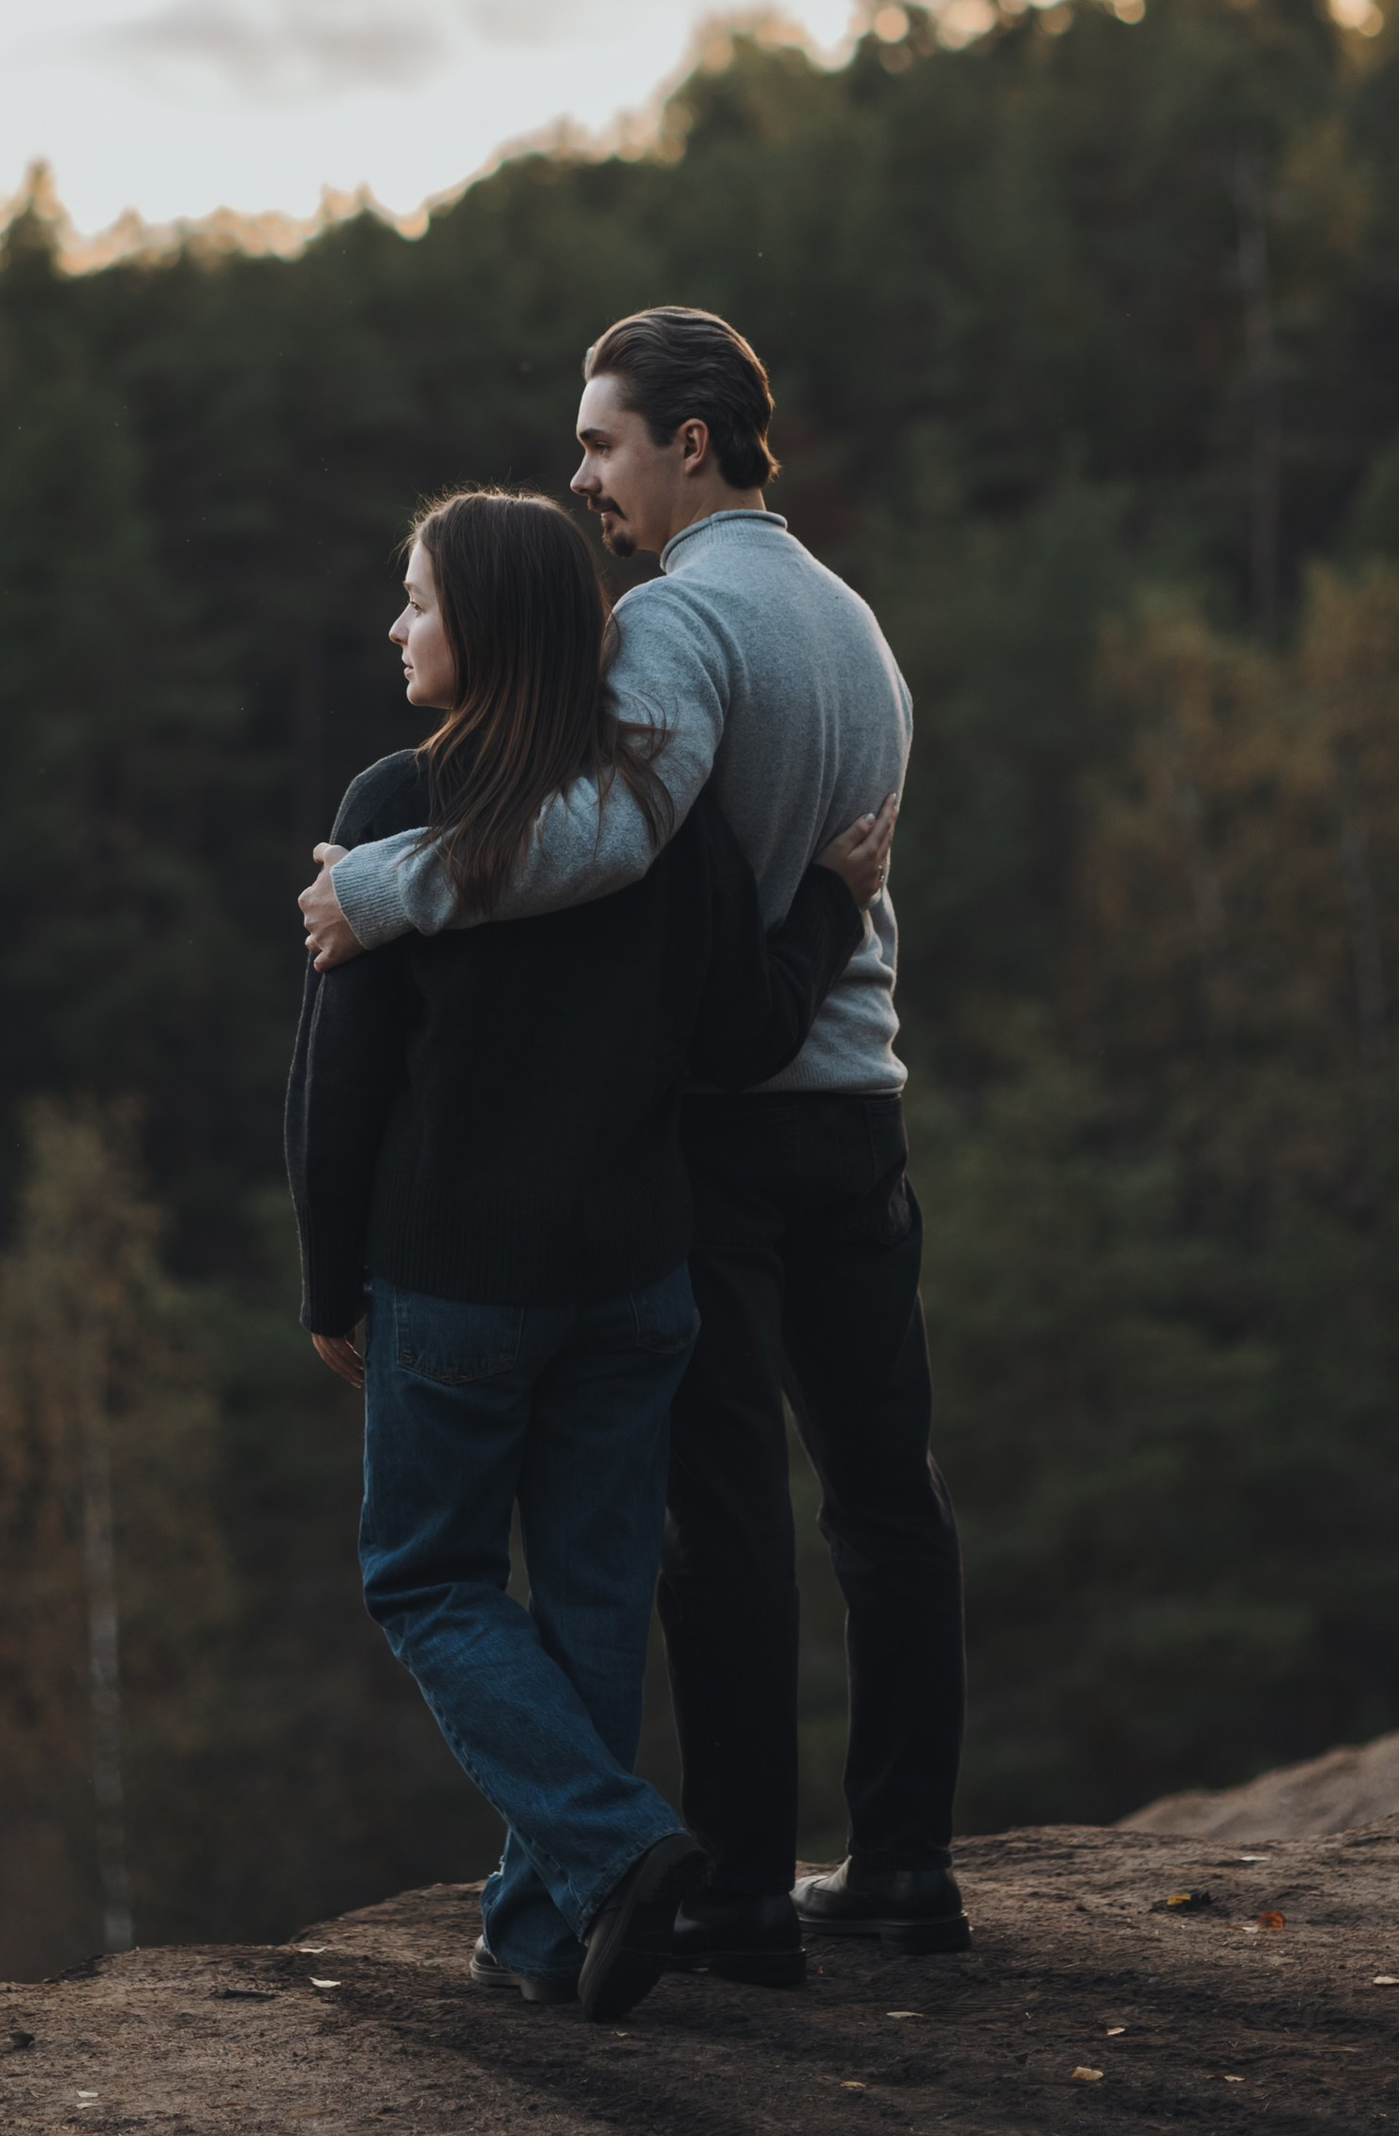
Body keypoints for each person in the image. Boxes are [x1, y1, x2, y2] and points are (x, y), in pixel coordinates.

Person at [301, 307, 966, 1980]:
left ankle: (723, 1883)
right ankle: (901, 1867)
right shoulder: (861, 630)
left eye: (602, 445)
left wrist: (375, 892)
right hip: (858, 1097)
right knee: (889, 1504)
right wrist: (829, 905)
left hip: (716, 1128)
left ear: (692, 443)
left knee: (718, 1521)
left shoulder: (679, 626)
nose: (585, 478)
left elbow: (600, 836)